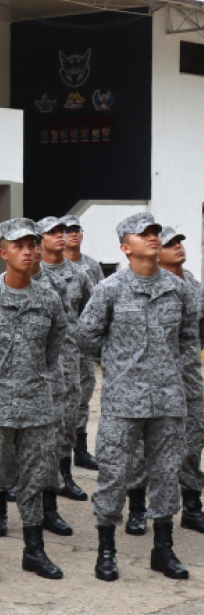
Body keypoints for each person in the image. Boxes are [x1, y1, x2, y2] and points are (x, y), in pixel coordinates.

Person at [76, 213, 198, 582]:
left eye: (155, 233)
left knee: (166, 473)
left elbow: (190, 335)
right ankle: (106, 550)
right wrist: (117, 364)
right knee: (113, 474)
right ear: (125, 247)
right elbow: (86, 336)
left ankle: (163, 550)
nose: (153, 238)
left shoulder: (179, 289)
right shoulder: (111, 288)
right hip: (122, 402)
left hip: (168, 400)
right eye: (143, 234)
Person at [0, 218, 68, 582]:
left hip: (37, 408)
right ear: (3, 252)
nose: (27, 251)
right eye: (18, 245)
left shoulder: (49, 300)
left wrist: (32, 383)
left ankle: (34, 552)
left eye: (31, 244)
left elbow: (53, 352)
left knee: (35, 482)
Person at [35, 217, 94, 506]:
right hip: (39, 362)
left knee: (67, 420)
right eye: (53, 232)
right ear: (39, 239)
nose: (61, 236)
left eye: (64, 231)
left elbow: (89, 316)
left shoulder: (80, 275)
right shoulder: (33, 273)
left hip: (70, 359)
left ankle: (65, 475)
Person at [156, 227, 204, 534]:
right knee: (149, 446)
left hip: (188, 378)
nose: (177, 247)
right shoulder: (152, 286)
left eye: (179, 242)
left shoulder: (196, 287)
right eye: (169, 244)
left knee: (192, 440)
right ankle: (142, 507)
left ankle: (191, 505)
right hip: (153, 379)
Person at [62, 215, 103, 472]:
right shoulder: (52, 267)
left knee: (84, 396)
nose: (73, 234)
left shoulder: (91, 266)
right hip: (60, 346)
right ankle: (60, 453)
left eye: (77, 229)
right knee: (62, 398)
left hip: (83, 345)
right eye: (67, 230)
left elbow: (98, 303)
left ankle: (81, 449)